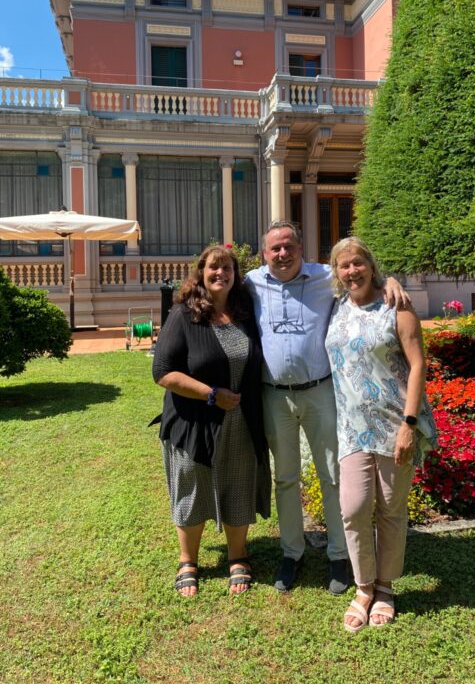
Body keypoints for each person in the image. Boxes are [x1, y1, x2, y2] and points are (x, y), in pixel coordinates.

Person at [245, 221, 409, 594]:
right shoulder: (251, 283)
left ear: (301, 248)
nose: (282, 253)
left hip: (320, 392)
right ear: (264, 253)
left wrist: (391, 281)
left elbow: (360, 276)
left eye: (289, 246)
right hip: (274, 395)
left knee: (332, 474)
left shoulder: (324, 277)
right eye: (275, 248)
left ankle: (338, 554)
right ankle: (292, 552)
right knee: (285, 478)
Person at [325, 237, 438, 631]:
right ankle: (363, 587)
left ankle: (385, 588)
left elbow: (418, 364)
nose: (351, 271)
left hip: (394, 426)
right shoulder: (335, 306)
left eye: (358, 263)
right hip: (351, 429)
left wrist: (409, 425)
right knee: (353, 508)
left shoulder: (396, 306)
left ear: (371, 265)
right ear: (336, 272)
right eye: (344, 265)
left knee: (390, 510)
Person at [152, 244, 271, 597]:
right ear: (201, 273)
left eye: (227, 268)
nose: (221, 274)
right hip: (194, 421)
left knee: (238, 483)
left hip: (241, 420)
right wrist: (210, 393)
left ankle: (238, 555)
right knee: (192, 485)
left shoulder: (244, 313)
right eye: (213, 268)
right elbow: (162, 372)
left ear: (236, 275)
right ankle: (188, 560)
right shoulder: (184, 315)